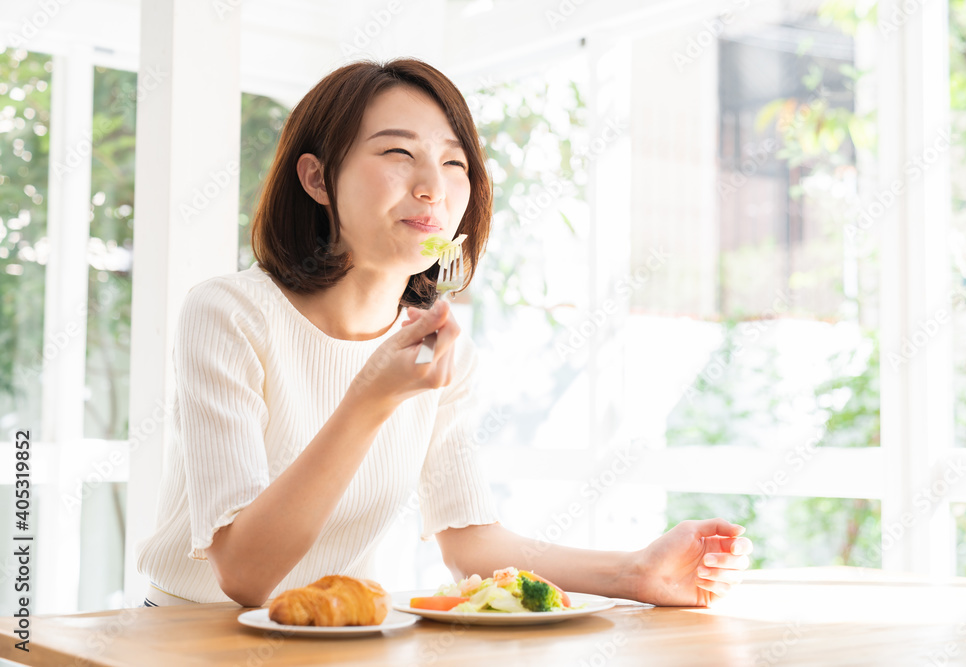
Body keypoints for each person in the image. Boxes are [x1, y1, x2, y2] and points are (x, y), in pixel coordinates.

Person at [135, 58, 752, 609]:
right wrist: (371, 399)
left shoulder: (438, 352)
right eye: (398, 153)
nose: (433, 185)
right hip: (189, 638)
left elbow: (469, 541)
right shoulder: (230, 313)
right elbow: (244, 574)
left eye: (454, 162)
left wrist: (636, 573)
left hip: (334, 637)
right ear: (318, 179)